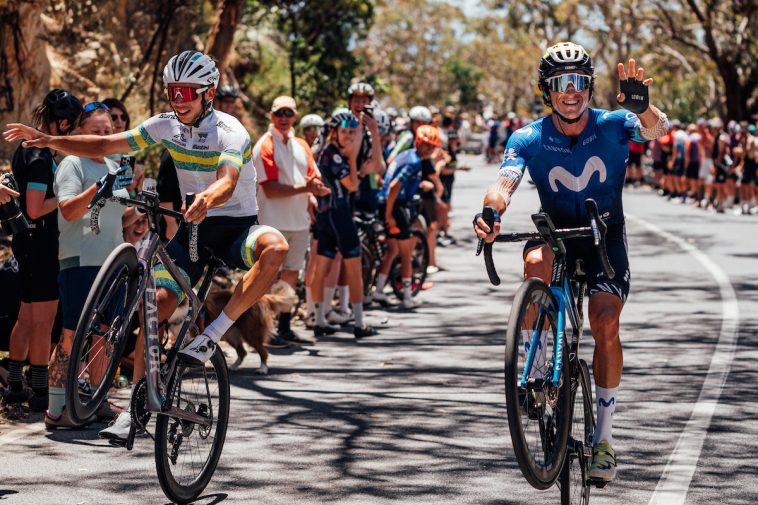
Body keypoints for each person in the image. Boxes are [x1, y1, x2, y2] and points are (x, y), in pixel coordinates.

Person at [3, 50, 288, 441]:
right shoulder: (165, 125)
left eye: (188, 91)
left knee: (276, 249)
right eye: (173, 91)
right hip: (193, 231)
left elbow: (227, 176)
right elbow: (106, 145)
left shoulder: (230, 129)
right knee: (156, 304)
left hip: (234, 225)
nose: (179, 99)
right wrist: (51, 139)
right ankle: (135, 406)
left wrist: (210, 197)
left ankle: (213, 334)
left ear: (209, 92)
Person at [474, 42, 670, 483]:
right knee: (536, 265)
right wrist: (490, 215)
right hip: (557, 235)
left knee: (604, 322)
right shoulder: (528, 137)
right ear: (548, 90)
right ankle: (540, 371)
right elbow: (502, 184)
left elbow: (659, 129)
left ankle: (603, 440)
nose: (571, 91)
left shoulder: (615, 124)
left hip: (605, 237)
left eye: (579, 82)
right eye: (561, 83)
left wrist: (645, 108)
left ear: (589, 87)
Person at [47, 102, 134, 429]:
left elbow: (118, 215)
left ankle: (95, 401)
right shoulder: (72, 163)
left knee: (105, 337)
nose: (102, 137)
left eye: (108, 132)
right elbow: (68, 210)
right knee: (71, 335)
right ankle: (56, 409)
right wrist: (100, 187)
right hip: (79, 260)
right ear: (79, 134)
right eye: (96, 132)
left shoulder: (114, 164)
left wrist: (140, 210)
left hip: (112, 264)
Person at [2, 89, 83, 413]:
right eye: (73, 125)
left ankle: (15, 385)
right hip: (41, 245)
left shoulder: (29, 150)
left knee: (25, 316)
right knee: (43, 320)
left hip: (26, 244)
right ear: (63, 122)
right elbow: (35, 209)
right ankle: (39, 392)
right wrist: (65, 202)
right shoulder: (39, 158)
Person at [252, 96, 330, 346]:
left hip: (299, 222)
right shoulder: (265, 145)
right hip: (273, 222)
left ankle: (283, 327)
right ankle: (265, 328)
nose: (283, 118)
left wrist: (315, 191)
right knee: (269, 276)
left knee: (291, 275)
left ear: (295, 116)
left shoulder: (300, 145)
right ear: (271, 116)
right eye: (279, 113)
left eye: (288, 113)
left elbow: (312, 177)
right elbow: (272, 190)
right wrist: (305, 188)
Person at [310, 111, 378, 338]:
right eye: (344, 132)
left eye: (352, 132)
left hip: (324, 215)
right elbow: (351, 186)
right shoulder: (336, 156)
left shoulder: (326, 152)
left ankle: (319, 320)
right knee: (354, 268)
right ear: (334, 133)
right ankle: (359, 323)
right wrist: (351, 157)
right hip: (339, 215)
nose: (348, 137)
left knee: (323, 266)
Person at [374, 125, 443, 308]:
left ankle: (379, 291)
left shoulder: (406, 155)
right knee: (406, 252)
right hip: (395, 205)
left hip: (386, 202)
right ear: (418, 142)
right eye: (425, 145)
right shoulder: (414, 161)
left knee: (393, 250)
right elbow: (395, 186)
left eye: (431, 146)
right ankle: (406, 296)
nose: (428, 149)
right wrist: (389, 215)